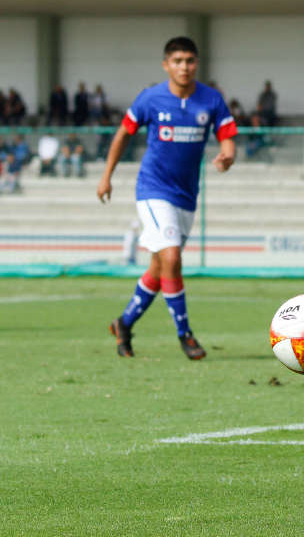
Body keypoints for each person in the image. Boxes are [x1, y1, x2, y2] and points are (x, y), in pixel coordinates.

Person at [97, 36, 237, 360]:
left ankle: (124, 323)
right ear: (166, 65)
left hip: (186, 196)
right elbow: (123, 134)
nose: (184, 67)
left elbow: (228, 138)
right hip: (153, 189)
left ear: (196, 64)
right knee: (172, 258)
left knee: (161, 269)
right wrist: (106, 176)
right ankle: (185, 335)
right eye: (177, 61)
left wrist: (227, 157)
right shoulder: (150, 99)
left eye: (189, 60)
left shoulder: (211, 99)